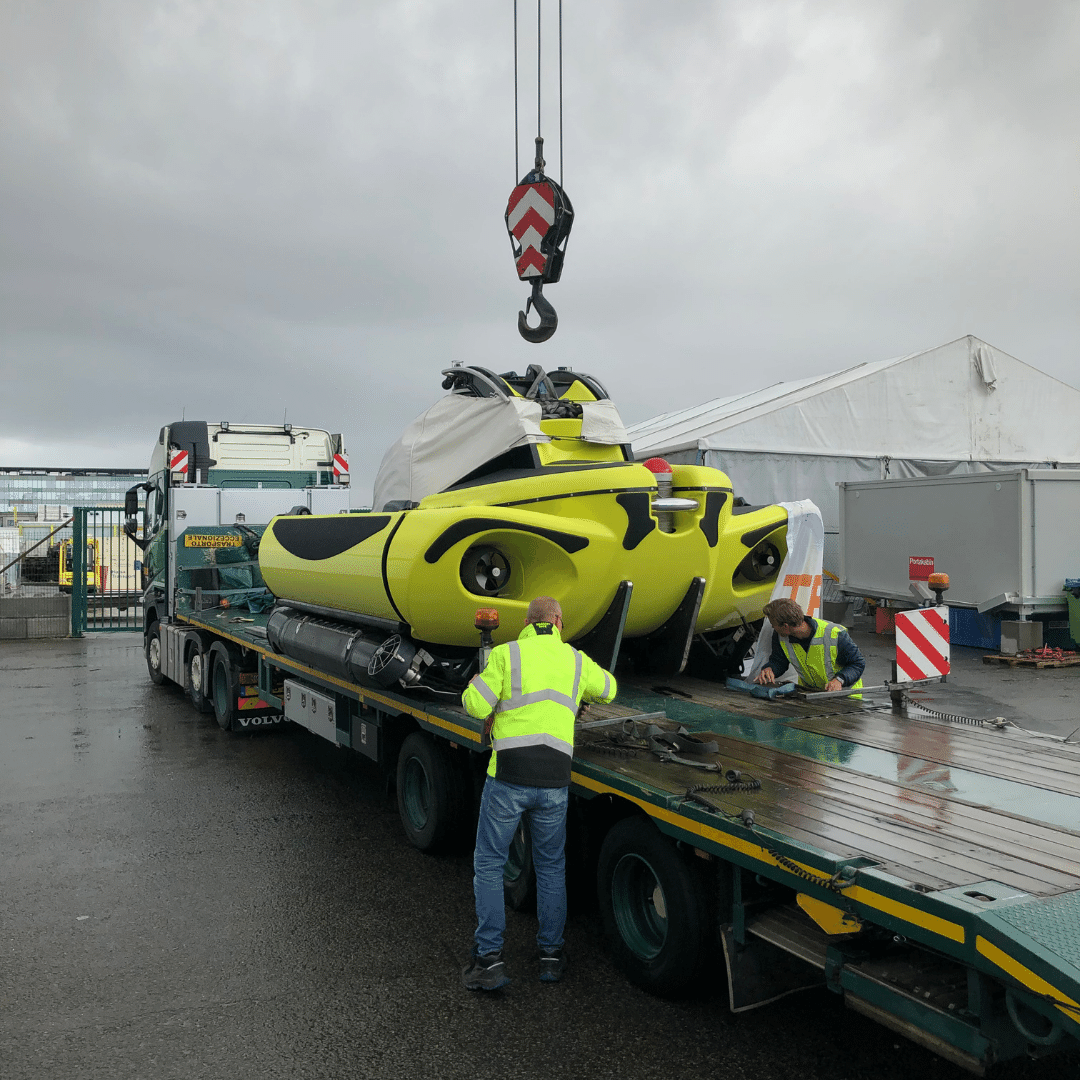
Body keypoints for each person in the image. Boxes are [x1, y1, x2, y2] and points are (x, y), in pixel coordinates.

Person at [460, 595, 617, 991]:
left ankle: (489, 962)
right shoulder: (576, 661)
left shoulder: (506, 655)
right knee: (550, 868)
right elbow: (610, 689)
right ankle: (550, 957)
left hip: (508, 778)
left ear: (527, 623)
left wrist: (481, 686)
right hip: (554, 783)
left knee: (490, 865)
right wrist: (581, 694)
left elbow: (474, 705)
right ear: (559, 622)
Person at [753, 598, 865, 694]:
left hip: (847, 695)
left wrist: (840, 680)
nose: (773, 628)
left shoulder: (834, 634)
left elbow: (858, 663)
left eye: (774, 625)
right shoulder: (780, 636)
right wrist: (770, 669)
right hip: (813, 695)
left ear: (785, 626)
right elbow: (779, 661)